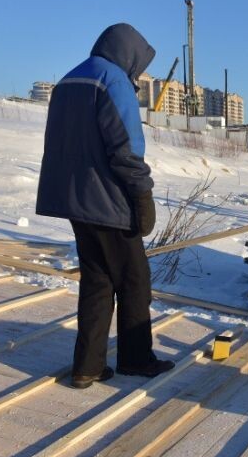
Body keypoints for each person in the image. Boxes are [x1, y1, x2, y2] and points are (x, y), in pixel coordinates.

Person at [36, 23, 174, 389]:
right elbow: (126, 148)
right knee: (134, 280)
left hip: (74, 200)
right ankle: (136, 359)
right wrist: (142, 195)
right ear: (129, 53)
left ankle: (88, 365)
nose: (138, 72)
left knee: (97, 280)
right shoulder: (112, 81)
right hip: (108, 200)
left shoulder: (69, 80)